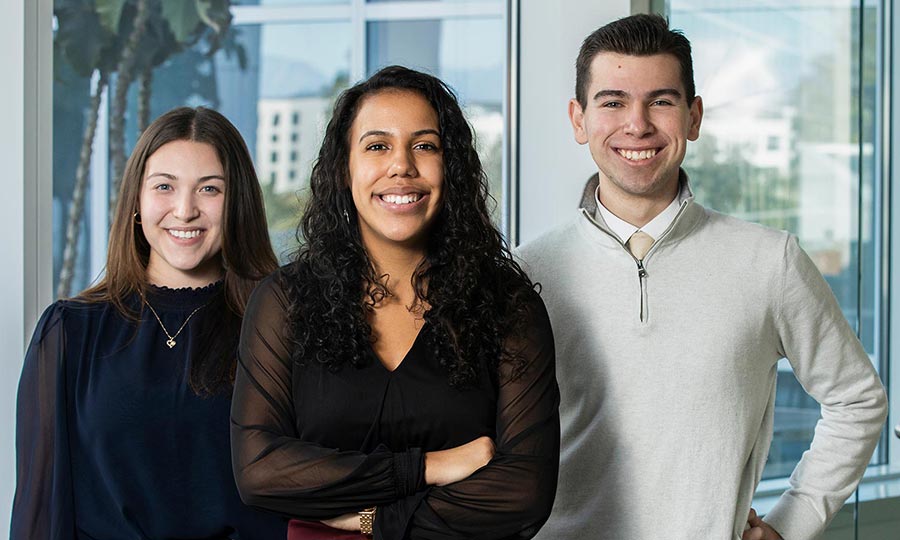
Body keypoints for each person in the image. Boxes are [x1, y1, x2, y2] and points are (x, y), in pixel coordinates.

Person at [516, 13, 889, 540]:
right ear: (579, 120)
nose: (637, 125)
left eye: (661, 101)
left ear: (693, 117)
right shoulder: (528, 272)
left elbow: (857, 399)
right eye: (613, 102)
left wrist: (792, 521)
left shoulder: (769, 261)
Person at [230, 65, 560, 540]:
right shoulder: (285, 302)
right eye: (377, 146)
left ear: (452, 168)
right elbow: (259, 471)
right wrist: (429, 467)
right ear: (344, 168)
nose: (401, 166)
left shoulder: (508, 306)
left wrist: (373, 520)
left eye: (425, 146)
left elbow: (524, 492)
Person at [12, 107, 287, 539]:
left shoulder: (280, 330)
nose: (185, 210)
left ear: (238, 204)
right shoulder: (68, 332)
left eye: (209, 189)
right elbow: (42, 508)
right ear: (136, 202)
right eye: (164, 186)